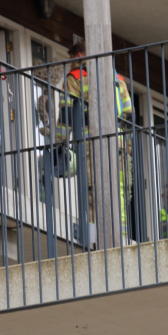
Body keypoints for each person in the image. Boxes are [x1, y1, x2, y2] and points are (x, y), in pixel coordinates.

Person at [55, 41, 134, 237]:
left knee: (93, 189)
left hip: (90, 141)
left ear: (80, 56)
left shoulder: (75, 78)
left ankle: (94, 236)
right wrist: (128, 145)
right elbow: (128, 114)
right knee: (119, 191)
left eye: (73, 60)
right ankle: (120, 234)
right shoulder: (117, 79)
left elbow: (66, 115)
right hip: (118, 142)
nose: (73, 65)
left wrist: (58, 142)